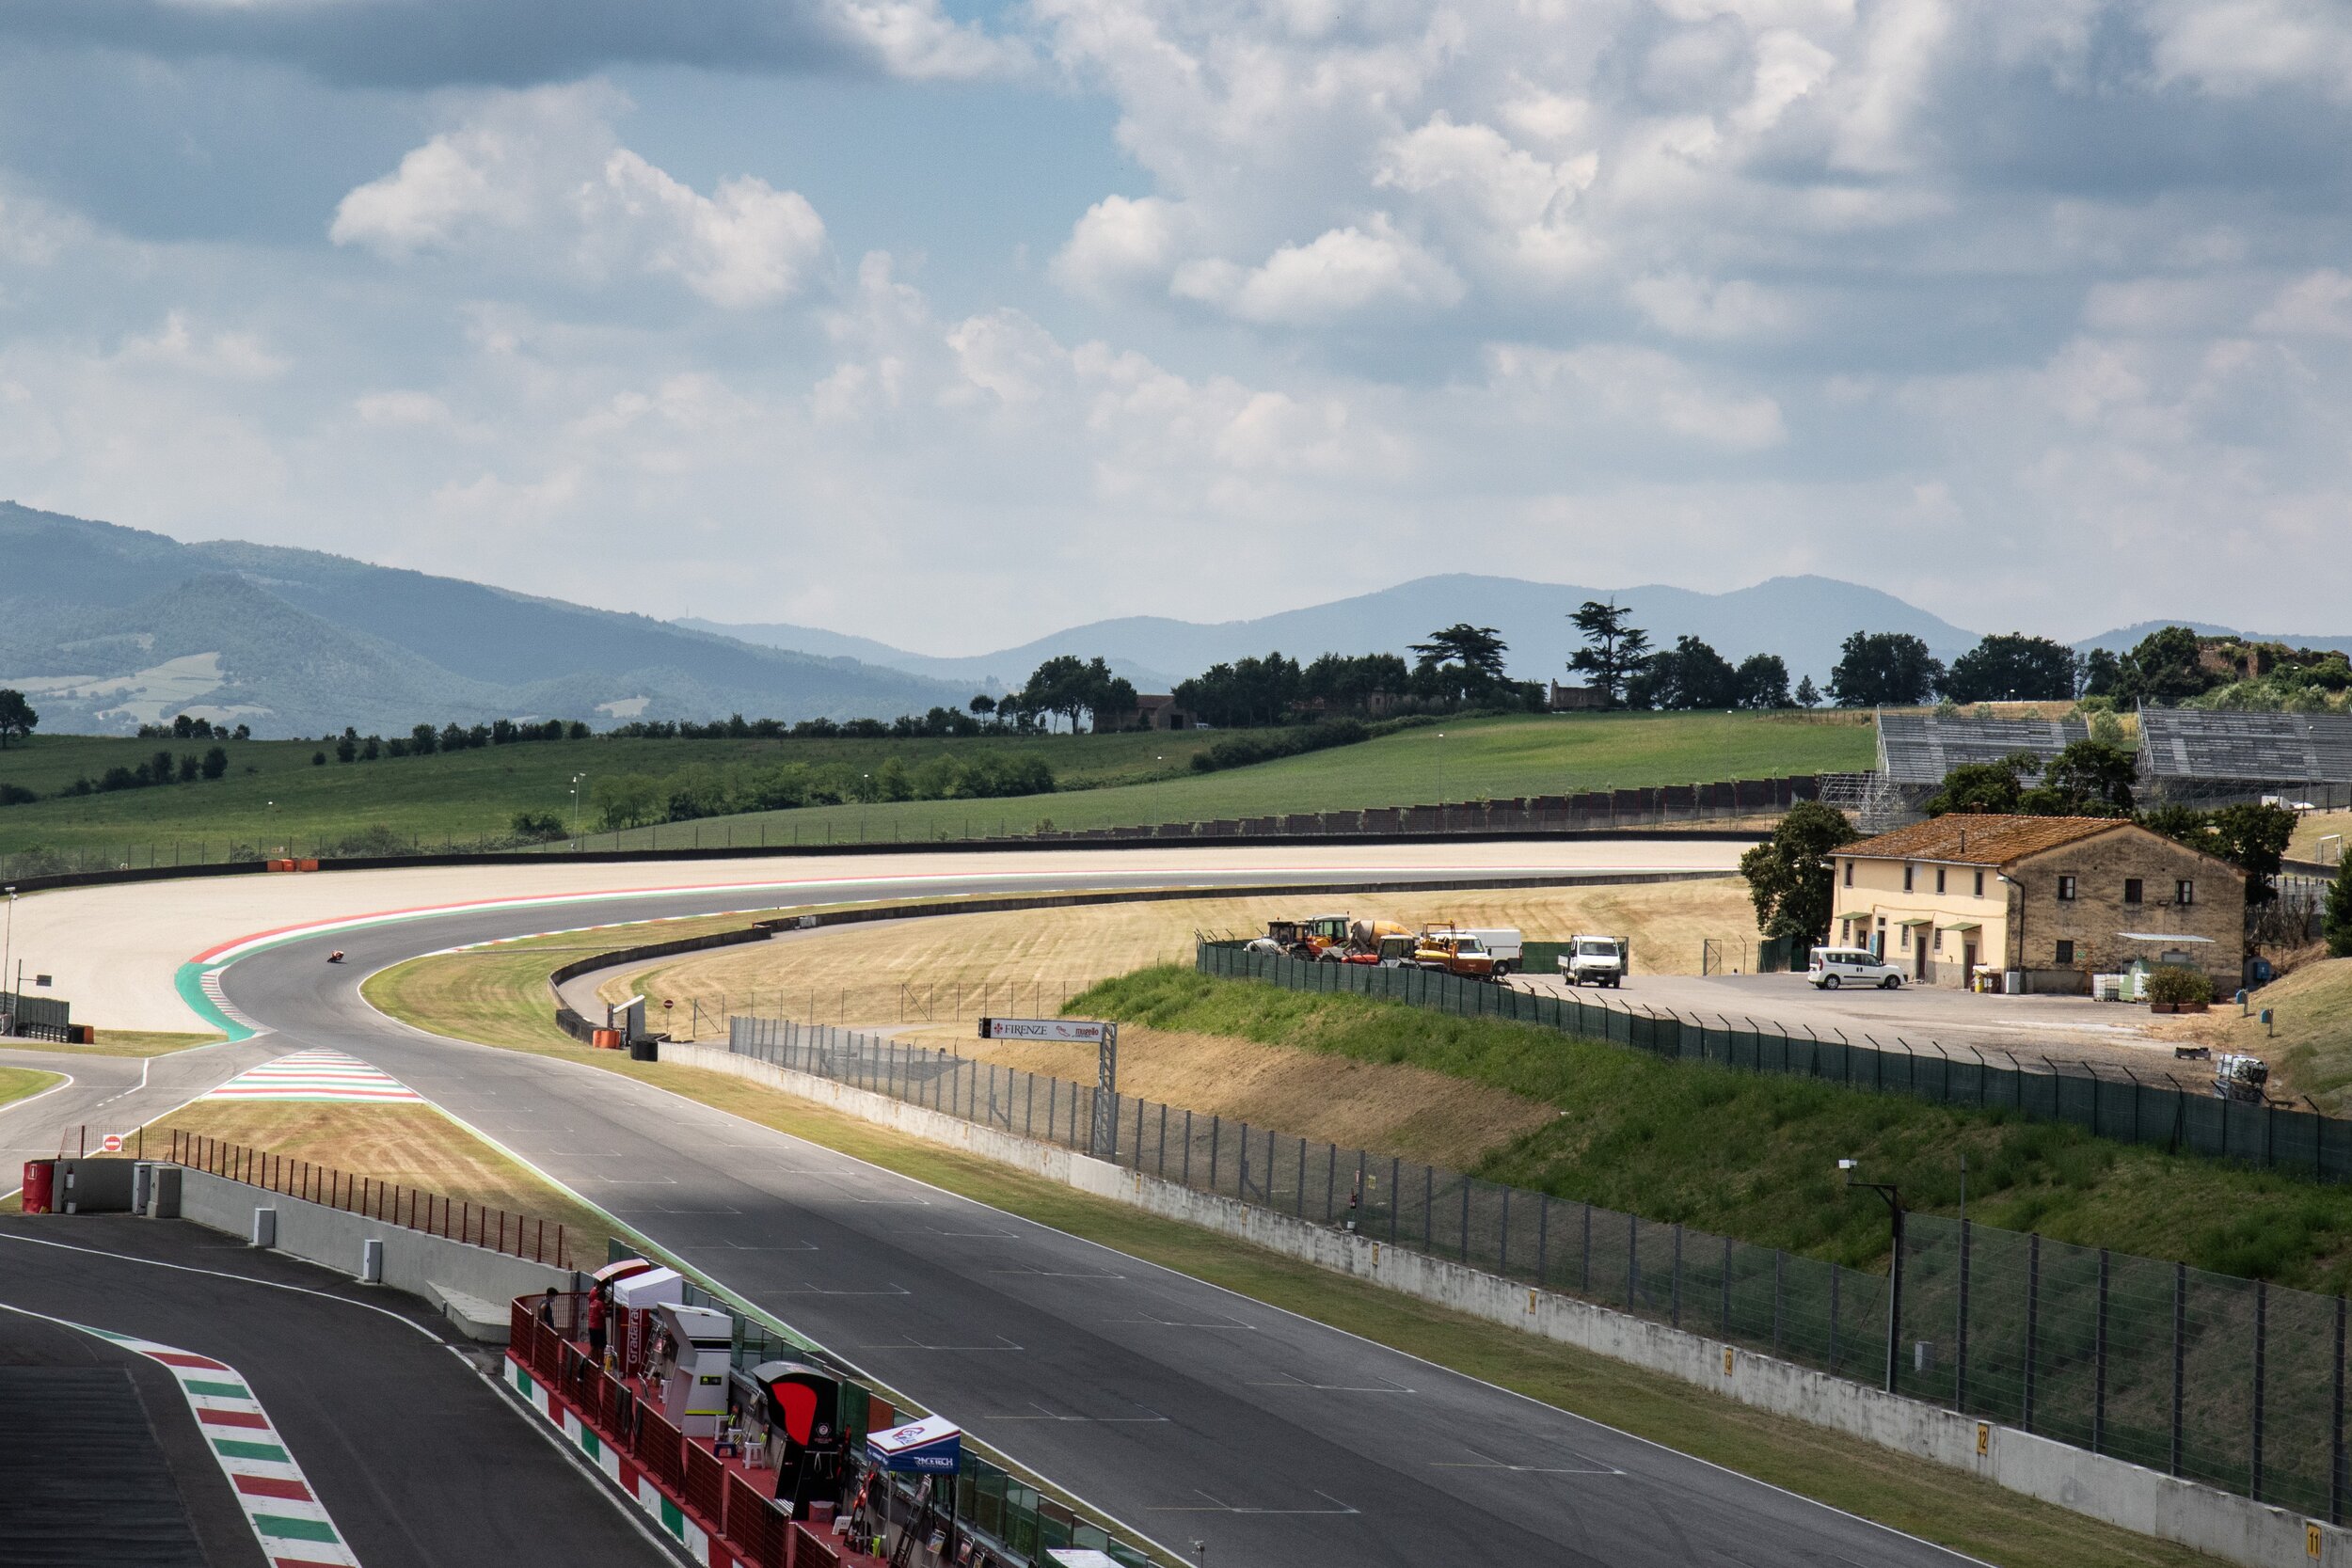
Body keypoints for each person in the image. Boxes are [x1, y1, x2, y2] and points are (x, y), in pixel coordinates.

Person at [584, 1283, 608, 1360]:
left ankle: (591, 1360)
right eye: (604, 1296)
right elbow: (604, 1314)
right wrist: (611, 1314)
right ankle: (600, 1362)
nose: (605, 1298)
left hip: (591, 1326)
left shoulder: (592, 1303)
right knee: (601, 1346)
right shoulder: (600, 1303)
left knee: (594, 1345)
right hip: (599, 1327)